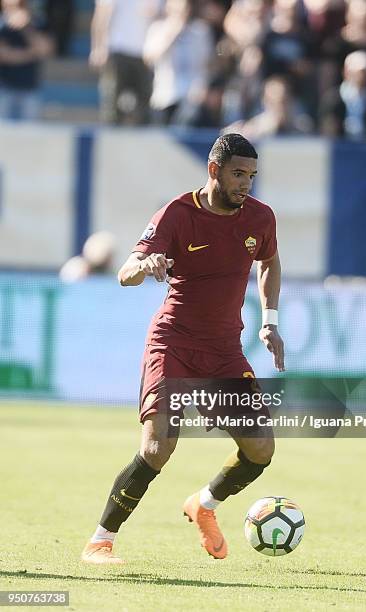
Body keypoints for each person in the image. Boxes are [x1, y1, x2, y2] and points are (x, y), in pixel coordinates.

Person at [81, 133, 285, 564]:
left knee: (261, 449)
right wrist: (144, 264)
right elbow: (125, 272)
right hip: (173, 343)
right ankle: (101, 540)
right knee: (157, 448)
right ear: (214, 171)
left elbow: (269, 261)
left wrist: (270, 322)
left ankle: (204, 504)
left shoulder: (260, 218)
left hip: (224, 350)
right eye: (238, 174)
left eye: (252, 175)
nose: (246, 183)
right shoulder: (176, 213)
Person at [89, 0, 160, 125]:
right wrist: (98, 47)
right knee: (112, 106)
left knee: (144, 109)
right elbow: (101, 15)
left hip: (146, 55)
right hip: (118, 51)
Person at [143, 0, 213, 125]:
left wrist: (201, 87)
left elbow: (205, 64)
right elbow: (150, 58)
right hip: (165, 98)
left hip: (191, 98)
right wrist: (171, 33)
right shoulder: (157, 28)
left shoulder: (201, 31)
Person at [0, 0, 54, 120]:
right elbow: (3, 55)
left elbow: (45, 50)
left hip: (30, 88)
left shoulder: (37, 23)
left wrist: (26, 27)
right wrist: (31, 54)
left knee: (30, 134)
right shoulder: (2, 24)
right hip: (4, 88)